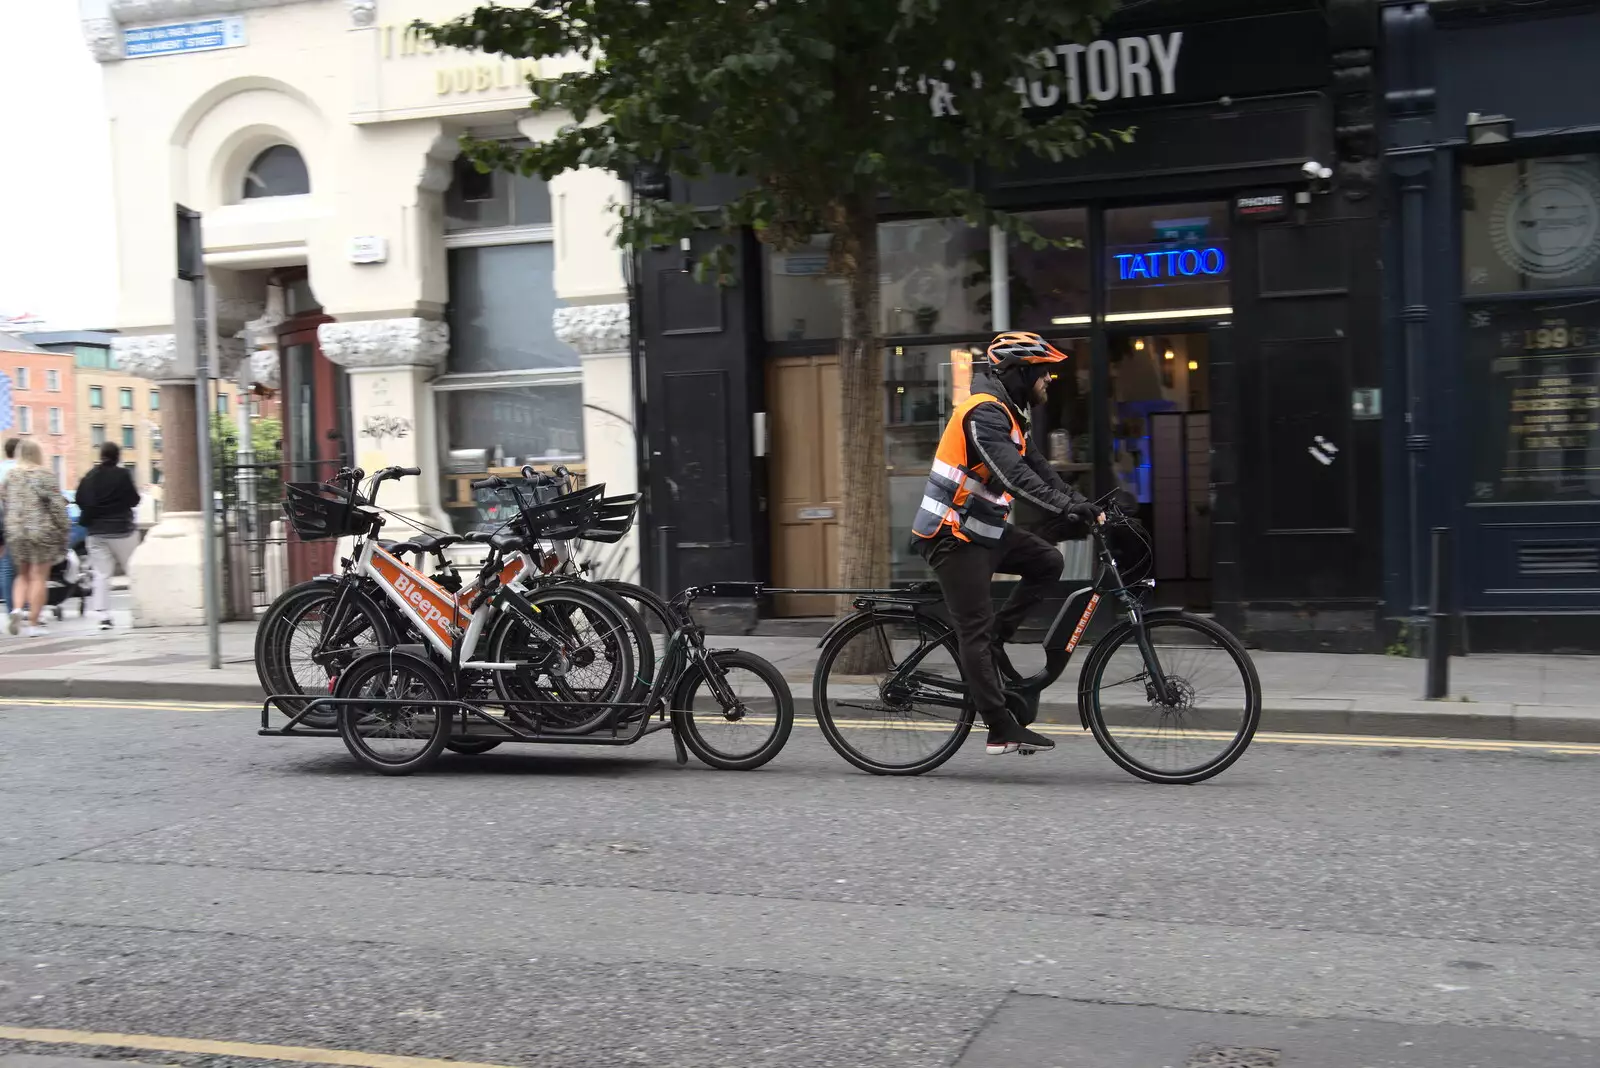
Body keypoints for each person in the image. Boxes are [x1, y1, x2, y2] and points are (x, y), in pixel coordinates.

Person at [911, 331, 1103, 755]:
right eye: (1044, 372)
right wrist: (1062, 508)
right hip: (951, 534)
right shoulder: (982, 414)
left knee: (1048, 562)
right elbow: (1013, 476)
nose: (1049, 379)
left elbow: (1038, 467)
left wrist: (1079, 503)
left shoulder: (1009, 415)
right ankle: (999, 727)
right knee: (972, 633)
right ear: (1019, 372)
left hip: (981, 530)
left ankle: (997, 639)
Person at [4, 439, 70, 637]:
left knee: (21, 575)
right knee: (38, 577)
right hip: (41, 531)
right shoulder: (45, 475)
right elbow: (57, 506)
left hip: (15, 531)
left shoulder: (10, 475)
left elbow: (4, 499)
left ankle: (16, 609)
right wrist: (64, 528)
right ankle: (33, 623)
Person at [75, 441, 142, 630]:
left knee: (101, 574)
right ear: (118, 456)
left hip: (96, 532)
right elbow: (134, 500)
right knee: (133, 569)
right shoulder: (123, 475)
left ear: (101, 456)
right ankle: (140, 609)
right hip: (122, 531)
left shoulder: (90, 476)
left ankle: (103, 616)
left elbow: (80, 499)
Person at [0, 436, 17, 618]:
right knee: (27, 567)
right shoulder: (21, 469)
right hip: (22, 522)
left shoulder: (1, 468)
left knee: (6, 567)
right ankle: (26, 606)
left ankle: (12, 609)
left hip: (3, 520)